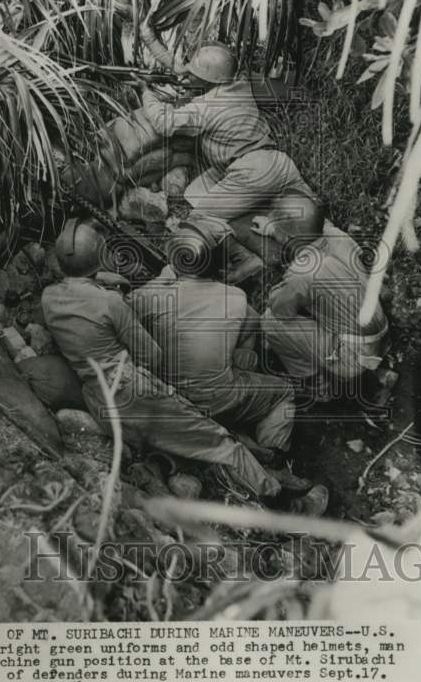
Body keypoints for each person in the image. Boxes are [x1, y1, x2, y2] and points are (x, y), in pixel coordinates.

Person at [41, 218, 317, 506]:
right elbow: (152, 356)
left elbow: (96, 306)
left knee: (195, 427)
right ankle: (274, 492)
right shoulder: (112, 303)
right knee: (218, 441)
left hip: (99, 401)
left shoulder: (50, 298)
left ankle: (252, 458)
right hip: (136, 395)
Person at [129, 217, 326, 509]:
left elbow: (131, 303)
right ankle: (273, 455)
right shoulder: (234, 297)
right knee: (282, 391)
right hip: (220, 397)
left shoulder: (147, 298)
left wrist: (163, 279)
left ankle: (253, 454)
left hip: (172, 400)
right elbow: (251, 325)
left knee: (235, 359)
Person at [126, 18, 316, 281]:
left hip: (249, 173)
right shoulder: (238, 83)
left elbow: (163, 123)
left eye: (193, 74)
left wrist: (146, 92)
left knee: (200, 218)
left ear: (208, 80)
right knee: (314, 215)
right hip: (277, 161)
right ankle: (334, 252)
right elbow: (183, 71)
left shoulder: (204, 108)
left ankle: (246, 259)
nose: (187, 76)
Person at [253, 194, 390, 394]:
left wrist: (281, 289)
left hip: (352, 355)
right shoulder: (336, 235)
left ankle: (316, 385)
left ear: (288, 238)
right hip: (380, 333)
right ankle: (378, 372)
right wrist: (274, 229)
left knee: (270, 322)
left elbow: (281, 310)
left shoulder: (303, 272)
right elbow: (307, 230)